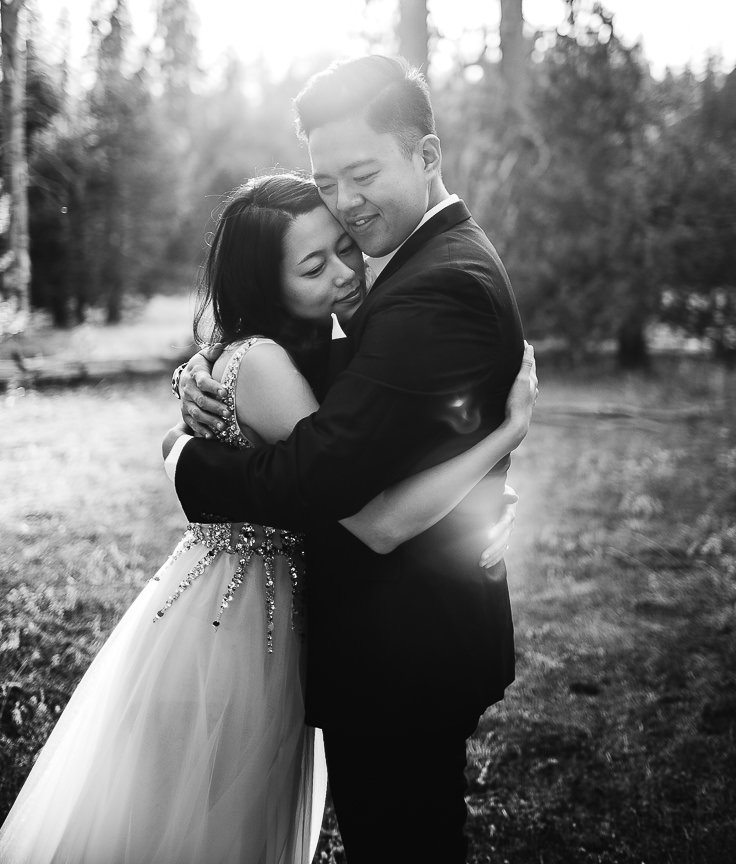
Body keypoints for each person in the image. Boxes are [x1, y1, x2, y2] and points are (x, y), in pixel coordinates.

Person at [0, 172, 533, 864]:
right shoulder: (269, 364)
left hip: (268, 609)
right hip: (239, 624)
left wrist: (486, 499)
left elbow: (384, 439)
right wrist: (506, 435)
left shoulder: (308, 349)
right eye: (315, 266)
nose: (346, 273)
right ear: (266, 285)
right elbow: (373, 516)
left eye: (345, 248)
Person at [171, 55, 530, 864]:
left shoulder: (436, 285)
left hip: (405, 645)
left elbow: (322, 476)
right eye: (326, 180)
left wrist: (183, 459)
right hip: (396, 635)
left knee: (407, 840)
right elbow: (380, 415)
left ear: (428, 156)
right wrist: (208, 377)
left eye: (362, 174)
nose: (346, 203)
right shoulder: (410, 264)